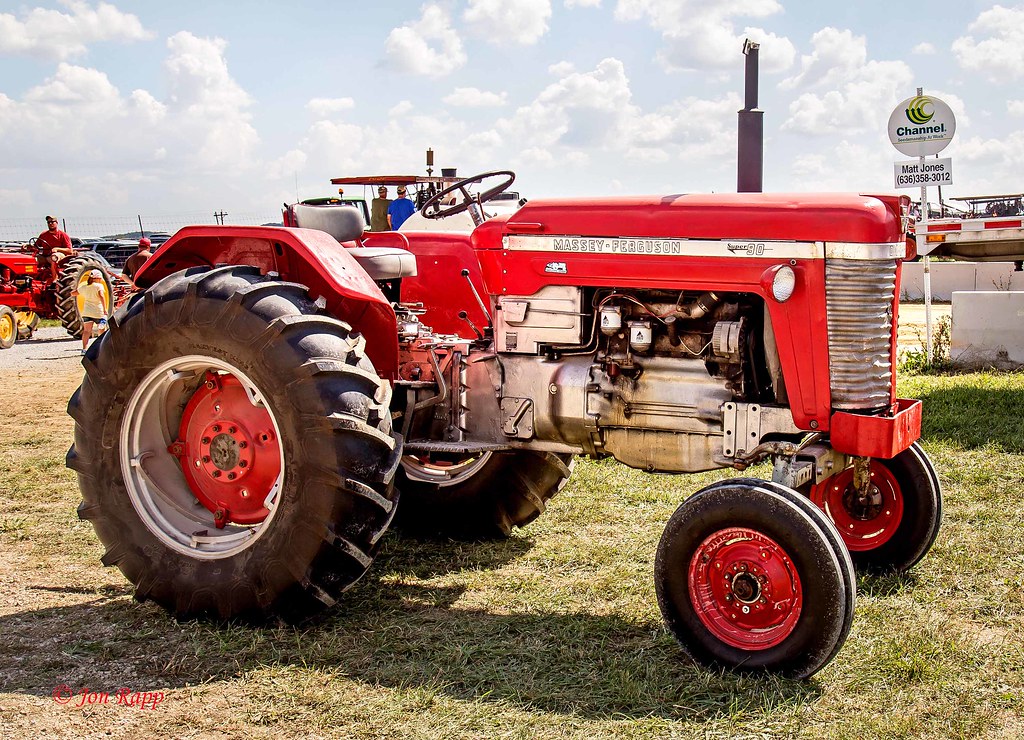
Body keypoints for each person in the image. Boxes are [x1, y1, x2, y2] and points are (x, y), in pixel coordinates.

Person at [71, 269, 108, 354]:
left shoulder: (84, 287)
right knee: (102, 330)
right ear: (98, 278)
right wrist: (105, 308)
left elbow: (73, 293)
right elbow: (101, 296)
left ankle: (84, 349)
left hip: (87, 312)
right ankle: (100, 348)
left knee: (86, 331)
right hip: (98, 311)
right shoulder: (99, 286)